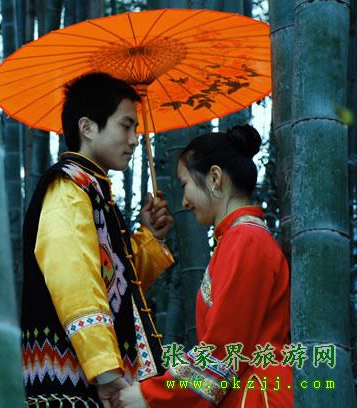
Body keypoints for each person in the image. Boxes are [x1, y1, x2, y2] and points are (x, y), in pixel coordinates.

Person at [21, 72, 175, 407]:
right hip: (70, 382)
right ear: (87, 128)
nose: (135, 139)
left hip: (92, 380)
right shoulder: (68, 188)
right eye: (126, 126)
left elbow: (117, 287)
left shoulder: (94, 190)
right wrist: (105, 370)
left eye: (136, 128)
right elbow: (73, 280)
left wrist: (150, 238)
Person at [112, 125, 293, 408]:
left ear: (215, 178)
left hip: (257, 397)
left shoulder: (246, 240)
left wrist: (150, 395)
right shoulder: (238, 239)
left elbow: (223, 351)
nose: (184, 201)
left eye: (185, 184)